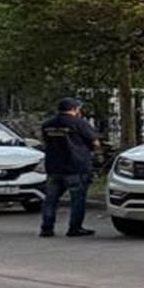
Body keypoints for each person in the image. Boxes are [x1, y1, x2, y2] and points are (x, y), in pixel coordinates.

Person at [39, 96, 101, 239]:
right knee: (77, 199)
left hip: (54, 167)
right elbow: (95, 142)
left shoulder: (47, 124)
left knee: (51, 199)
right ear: (74, 109)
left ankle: (46, 228)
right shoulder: (79, 123)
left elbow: (45, 141)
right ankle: (75, 228)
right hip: (75, 166)